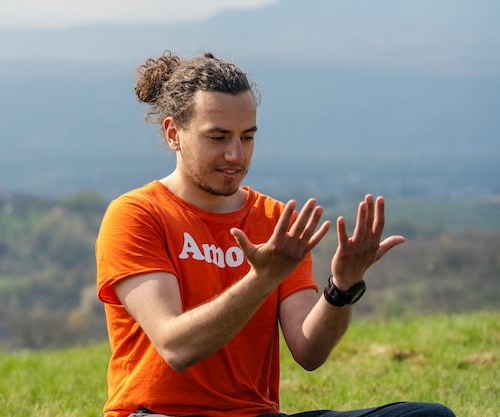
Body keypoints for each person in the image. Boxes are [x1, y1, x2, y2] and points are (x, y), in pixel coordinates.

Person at [95, 51, 455, 417]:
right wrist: (262, 279)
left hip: (256, 414)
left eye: (247, 137)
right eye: (218, 137)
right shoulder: (137, 215)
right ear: (174, 133)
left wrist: (342, 287)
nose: (236, 154)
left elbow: (309, 353)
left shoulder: (274, 219)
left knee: (429, 416)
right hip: (157, 415)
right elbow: (176, 347)